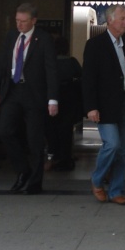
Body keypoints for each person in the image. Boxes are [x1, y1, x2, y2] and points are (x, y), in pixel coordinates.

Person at [0, 2, 59, 195]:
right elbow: (1, 65)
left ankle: (35, 183)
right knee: (4, 131)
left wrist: (53, 99)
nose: (19, 25)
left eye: (23, 21)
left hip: (35, 95)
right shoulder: (11, 36)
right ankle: (23, 170)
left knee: (35, 140)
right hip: (12, 91)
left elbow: (51, 70)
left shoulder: (43, 39)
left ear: (34, 21)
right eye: (17, 21)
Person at [82, 4, 125, 205]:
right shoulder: (95, 45)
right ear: (110, 20)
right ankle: (97, 179)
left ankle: (116, 190)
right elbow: (88, 79)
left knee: (124, 148)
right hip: (104, 105)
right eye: (123, 18)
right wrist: (91, 107)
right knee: (112, 144)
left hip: (124, 103)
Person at [45, 35, 83, 171]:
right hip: (70, 99)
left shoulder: (51, 63)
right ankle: (66, 157)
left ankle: (53, 156)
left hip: (52, 99)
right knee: (66, 130)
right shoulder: (72, 62)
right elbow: (81, 78)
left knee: (52, 129)